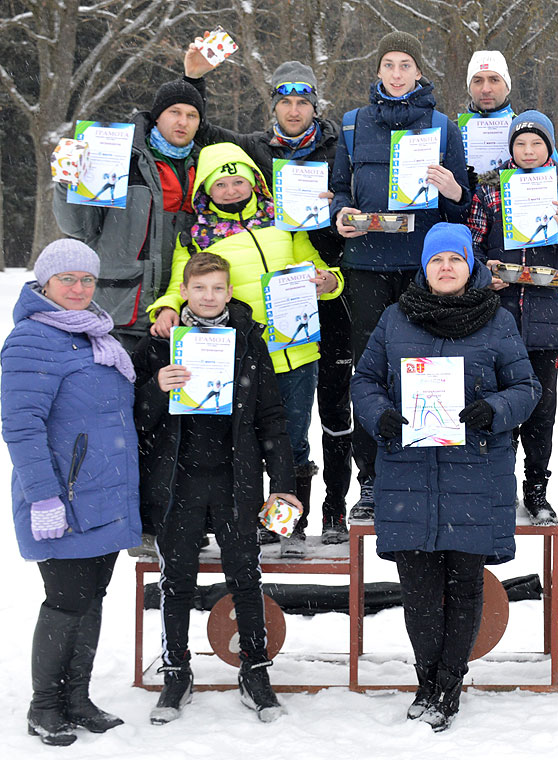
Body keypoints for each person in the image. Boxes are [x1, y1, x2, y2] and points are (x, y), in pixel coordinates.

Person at [350, 223, 540, 731]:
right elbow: (364, 380)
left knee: (464, 585)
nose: (446, 268)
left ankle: (449, 683)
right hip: (409, 472)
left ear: (470, 266)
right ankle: (425, 679)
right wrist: (380, 416)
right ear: (425, 268)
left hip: (474, 473)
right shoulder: (394, 319)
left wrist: (493, 409)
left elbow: (527, 387)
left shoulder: (497, 322)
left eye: (455, 259)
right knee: (416, 587)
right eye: (437, 261)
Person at [184, 49, 356, 545]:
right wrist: (193, 78)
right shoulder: (255, 151)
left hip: (326, 292)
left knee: (334, 412)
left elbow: (359, 190)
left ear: (314, 106)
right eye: (285, 100)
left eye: (304, 100)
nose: (295, 109)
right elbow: (200, 132)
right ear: (274, 106)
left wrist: (339, 212)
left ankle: (334, 510)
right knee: (274, 431)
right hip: (264, 325)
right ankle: (276, 522)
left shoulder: (336, 147)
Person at [146, 143, 343, 554]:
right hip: (239, 355)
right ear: (206, 189)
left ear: (255, 181)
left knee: (292, 440)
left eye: (240, 181)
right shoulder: (195, 234)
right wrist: (165, 309)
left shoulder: (284, 221)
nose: (233, 190)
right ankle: (242, 521)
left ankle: (289, 523)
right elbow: (178, 286)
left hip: (295, 350)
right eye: (222, 183)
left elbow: (315, 269)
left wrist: (328, 281)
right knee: (248, 439)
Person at [133, 253, 299, 724]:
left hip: (235, 479)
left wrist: (283, 484)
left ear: (230, 292)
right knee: (177, 581)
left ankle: (255, 669)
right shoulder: (156, 347)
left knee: (245, 578)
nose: (209, 297)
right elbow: (132, 423)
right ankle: (176, 672)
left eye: (218, 288)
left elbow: (272, 418)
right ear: (183, 292)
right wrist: (155, 390)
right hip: (177, 482)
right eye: (200, 288)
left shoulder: (248, 341)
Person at [2, 240, 142, 746]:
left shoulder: (95, 335)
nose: (80, 289)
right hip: (64, 496)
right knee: (65, 601)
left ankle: (77, 699)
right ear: (45, 285)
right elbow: (20, 427)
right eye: (68, 280)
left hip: (104, 495)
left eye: (87, 280)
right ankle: (44, 707)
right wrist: (43, 498)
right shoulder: (31, 340)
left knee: (92, 598)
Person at [330, 31, 471, 525]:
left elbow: (463, 204)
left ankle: (427, 466)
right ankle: (371, 478)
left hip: (422, 269)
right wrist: (340, 213)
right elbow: (336, 192)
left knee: (428, 365)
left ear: (418, 71)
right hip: (366, 265)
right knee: (370, 371)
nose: (395, 72)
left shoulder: (443, 127)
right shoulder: (351, 126)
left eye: (404, 64)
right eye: (388, 63)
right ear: (378, 71)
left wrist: (454, 189)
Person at [468, 110, 558, 525]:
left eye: (537, 144)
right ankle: (498, 485)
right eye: (521, 144)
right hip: (497, 317)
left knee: (542, 410)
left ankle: (537, 488)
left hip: (547, 319)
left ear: (550, 147)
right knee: (496, 402)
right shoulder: (491, 191)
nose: (528, 151)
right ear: (510, 148)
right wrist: (482, 272)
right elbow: (468, 245)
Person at [52, 79, 207, 349]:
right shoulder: (119, 157)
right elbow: (79, 228)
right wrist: (68, 181)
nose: (183, 122)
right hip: (118, 313)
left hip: (181, 318)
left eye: (191, 115)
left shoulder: (206, 165)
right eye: (175, 112)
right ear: (157, 116)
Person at [462, 50, 515, 186]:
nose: (485, 89)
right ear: (469, 88)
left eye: (494, 80)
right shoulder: (454, 131)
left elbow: (557, 183)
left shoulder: (528, 129)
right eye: (478, 81)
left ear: (507, 87)